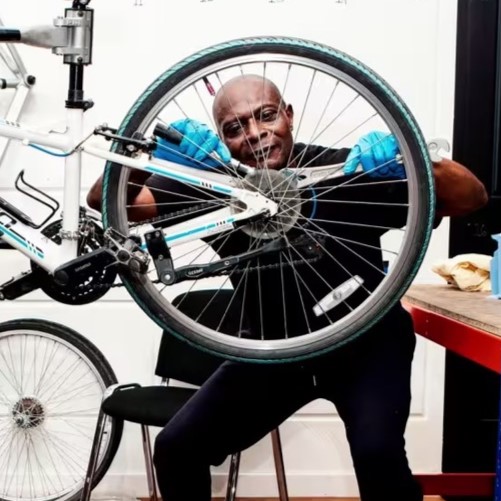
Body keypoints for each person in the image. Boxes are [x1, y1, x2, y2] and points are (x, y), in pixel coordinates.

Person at [87, 75, 488, 501]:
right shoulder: (213, 187)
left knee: (378, 456)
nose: (255, 134)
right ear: (220, 137)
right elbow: (105, 202)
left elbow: (472, 197)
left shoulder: (342, 170)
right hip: (276, 352)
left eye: (266, 115)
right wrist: (142, 156)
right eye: (234, 127)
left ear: (289, 115)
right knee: (177, 448)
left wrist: (414, 155)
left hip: (367, 344)